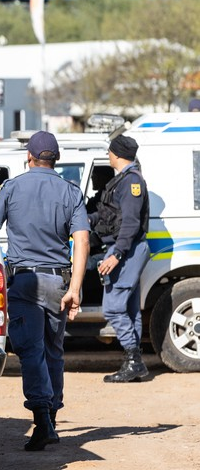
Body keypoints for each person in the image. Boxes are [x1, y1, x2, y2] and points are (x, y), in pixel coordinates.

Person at [0, 131, 89, 451]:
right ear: (56, 159)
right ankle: (51, 412)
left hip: (24, 282)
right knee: (54, 350)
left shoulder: (11, 188)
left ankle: (43, 420)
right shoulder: (71, 192)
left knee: (31, 351)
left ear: (30, 156)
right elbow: (82, 241)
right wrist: (76, 289)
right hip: (59, 282)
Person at [89, 135, 151, 383]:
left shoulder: (131, 182)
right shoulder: (123, 181)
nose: (108, 155)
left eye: (109, 151)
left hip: (126, 250)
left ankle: (134, 360)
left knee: (114, 308)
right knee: (130, 310)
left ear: (117, 154)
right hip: (125, 248)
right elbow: (109, 216)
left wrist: (115, 254)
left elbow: (130, 224)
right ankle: (134, 365)